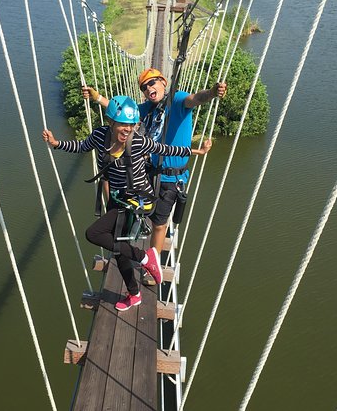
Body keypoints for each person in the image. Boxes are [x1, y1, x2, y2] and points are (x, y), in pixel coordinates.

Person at [43, 95, 212, 311]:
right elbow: (81, 146)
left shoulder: (139, 141)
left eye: (132, 125)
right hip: (117, 198)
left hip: (137, 200)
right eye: (123, 124)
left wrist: (196, 151)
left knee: (93, 234)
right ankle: (134, 293)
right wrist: (56, 143)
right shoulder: (100, 136)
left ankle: (144, 257)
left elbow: (167, 150)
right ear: (111, 122)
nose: (127, 129)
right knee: (117, 249)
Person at [83, 68, 227, 256]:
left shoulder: (177, 100)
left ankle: (153, 263)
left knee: (159, 224)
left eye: (152, 83)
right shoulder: (147, 108)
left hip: (170, 178)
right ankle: (126, 245)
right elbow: (120, 111)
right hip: (147, 172)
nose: (148, 88)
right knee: (131, 207)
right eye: (144, 87)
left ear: (163, 82)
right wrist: (97, 97)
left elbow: (196, 99)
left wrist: (211, 93)